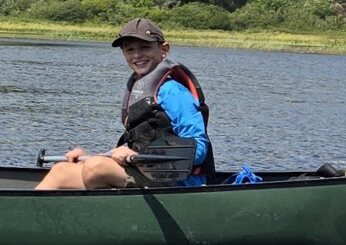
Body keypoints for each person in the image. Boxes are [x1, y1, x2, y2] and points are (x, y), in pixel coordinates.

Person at [35, 17, 213, 191]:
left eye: (145, 47)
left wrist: (139, 158)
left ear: (164, 49)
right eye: (129, 50)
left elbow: (198, 150)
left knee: (96, 168)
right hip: (144, 169)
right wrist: (90, 157)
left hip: (176, 179)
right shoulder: (140, 88)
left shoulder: (174, 92)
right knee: (61, 170)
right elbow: (137, 146)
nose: (137, 55)